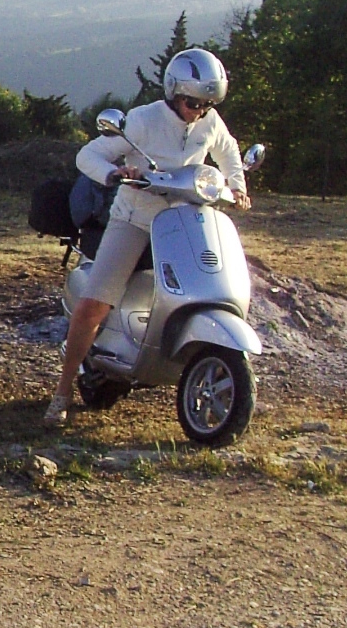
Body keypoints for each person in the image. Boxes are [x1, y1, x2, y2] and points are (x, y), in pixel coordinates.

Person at [46, 48, 249, 426]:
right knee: (96, 303)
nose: (198, 111)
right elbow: (89, 155)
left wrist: (237, 186)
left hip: (185, 219)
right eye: (192, 102)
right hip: (136, 218)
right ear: (174, 92)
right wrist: (114, 174)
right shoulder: (143, 120)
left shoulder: (210, 122)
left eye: (206, 104)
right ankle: (62, 390)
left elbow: (229, 151)